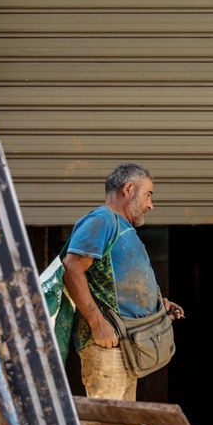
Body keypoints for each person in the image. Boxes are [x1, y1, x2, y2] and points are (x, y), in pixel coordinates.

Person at [61, 163, 184, 401]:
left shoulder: (122, 227)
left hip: (126, 345)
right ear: (128, 189)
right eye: (148, 194)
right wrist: (97, 323)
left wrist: (158, 305)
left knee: (122, 424)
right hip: (107, 345)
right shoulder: (103, 220)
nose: (150, 205)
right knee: (107, 424)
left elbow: (122, 283)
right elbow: (72, 267)